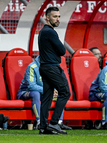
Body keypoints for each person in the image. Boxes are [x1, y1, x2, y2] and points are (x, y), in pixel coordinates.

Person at [38, 7, 71, 135]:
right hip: (52, 67)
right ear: (47, 18)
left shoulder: (43, 32)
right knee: (65, 92)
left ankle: (43, 127)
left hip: (45, 67)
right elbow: (63, 51)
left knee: (47, 97)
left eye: (59, 16)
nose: (57, 19)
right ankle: (54, 122)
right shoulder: (50, 32)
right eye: (54, 17)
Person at [17, 55, 72, 130]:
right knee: (36, 93)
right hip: (26, 92)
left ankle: (58, 122)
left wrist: (55, 91)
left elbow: (55, 82)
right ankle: (40, 122)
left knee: (61, 94)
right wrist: (48, 91)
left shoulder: (51, 67)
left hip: (44, 93)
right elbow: (31, 86)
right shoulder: (32, 67)